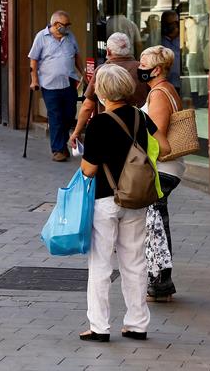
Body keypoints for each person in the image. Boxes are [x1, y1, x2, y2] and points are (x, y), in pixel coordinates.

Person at [78, 64, 170, 343]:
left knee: (101, 264)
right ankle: (137, 323)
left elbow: (88, 170)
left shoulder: (99, 124)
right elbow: (163, 147)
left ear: (104, 92)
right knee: (135, 262)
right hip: (136, 198)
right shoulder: (141, 117)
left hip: (105, 200)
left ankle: (100, 326)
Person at [138, 45, 185, 302]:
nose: (139, 68)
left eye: (143, 64)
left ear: (156, 69)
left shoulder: (158, 93)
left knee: (155, 224)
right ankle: (160, 282)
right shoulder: (165, 89)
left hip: (162, 168)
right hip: (166, 167)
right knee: (157, 221)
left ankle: (160, 282)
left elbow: (156, 136)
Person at [69, 32, 149, 150]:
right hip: (139, 127)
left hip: (109, 128)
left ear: (108, 52)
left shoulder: (102, 71)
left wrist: (77, 132)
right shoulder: (142, 69)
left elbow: (87, 106)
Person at [28, 10, 85, 161]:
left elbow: (77, 56)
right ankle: (58, 150)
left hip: (69, 82)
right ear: (55, 24)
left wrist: (84, 73)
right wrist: (34, 80)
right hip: (49, 84)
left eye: (68, 25)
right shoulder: (41, 37)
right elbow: (33, 60)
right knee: (55, 116)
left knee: (69, 115)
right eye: (64, 25)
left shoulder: (70, 37)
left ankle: (62, 142)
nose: (67, 28)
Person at [160, 10, 182, 92]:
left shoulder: (183, 38)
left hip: (180, 83)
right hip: (163, 84)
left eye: (175, 23)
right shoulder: (157, 39)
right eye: (169, 24)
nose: (173, 26)